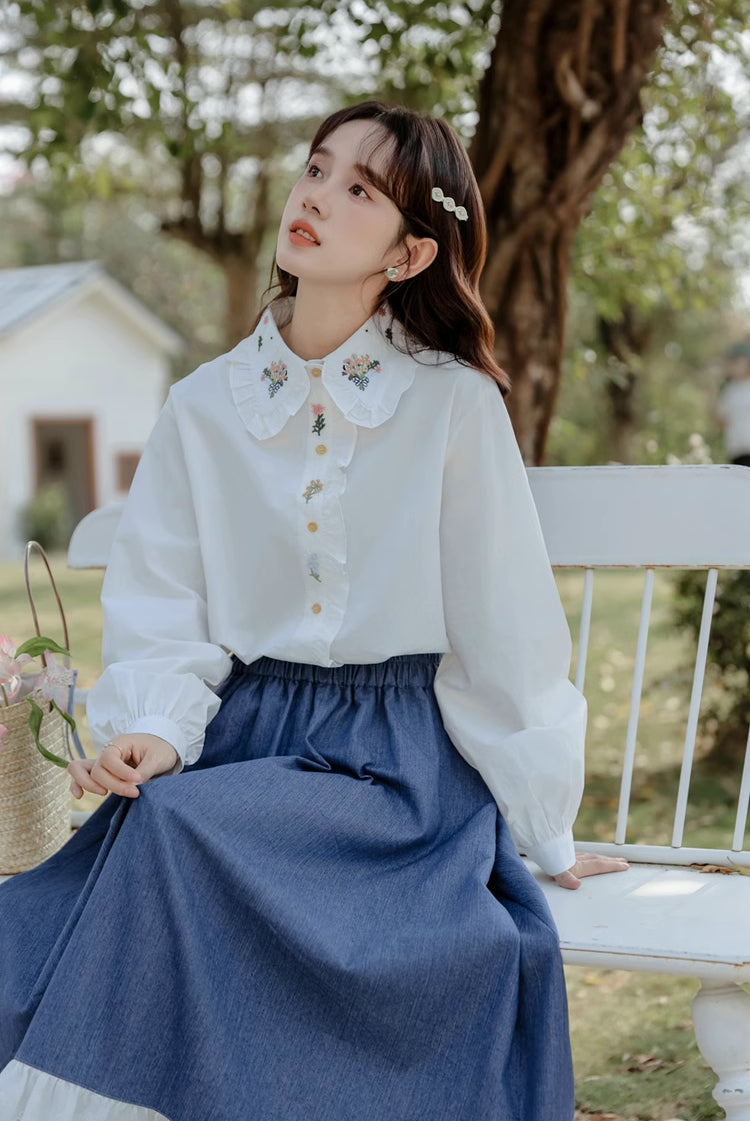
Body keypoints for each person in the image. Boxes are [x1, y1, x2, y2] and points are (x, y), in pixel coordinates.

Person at [0, 100, 627, 1121]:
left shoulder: (451, 405)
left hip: (397, 766)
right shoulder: (206, 404)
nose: (316, 198)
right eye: (316, 168)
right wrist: (155, 727)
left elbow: (502, 628)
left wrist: (544, 828)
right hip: (240, 739)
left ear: (414, 251)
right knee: (159, 822)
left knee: (179, 833)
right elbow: (163, 594)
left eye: (360, 191)